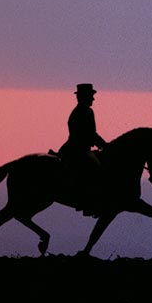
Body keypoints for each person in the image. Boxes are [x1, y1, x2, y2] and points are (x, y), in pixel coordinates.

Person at [59, 83, 108, 215]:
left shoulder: (77, 111)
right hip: (79, 150)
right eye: (91, 96)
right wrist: (105, 146)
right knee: (98, 170)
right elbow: (91, 133)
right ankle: (89, 205)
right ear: (86, 97)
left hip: (72, 148)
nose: (93, 99)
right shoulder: (86, 111)